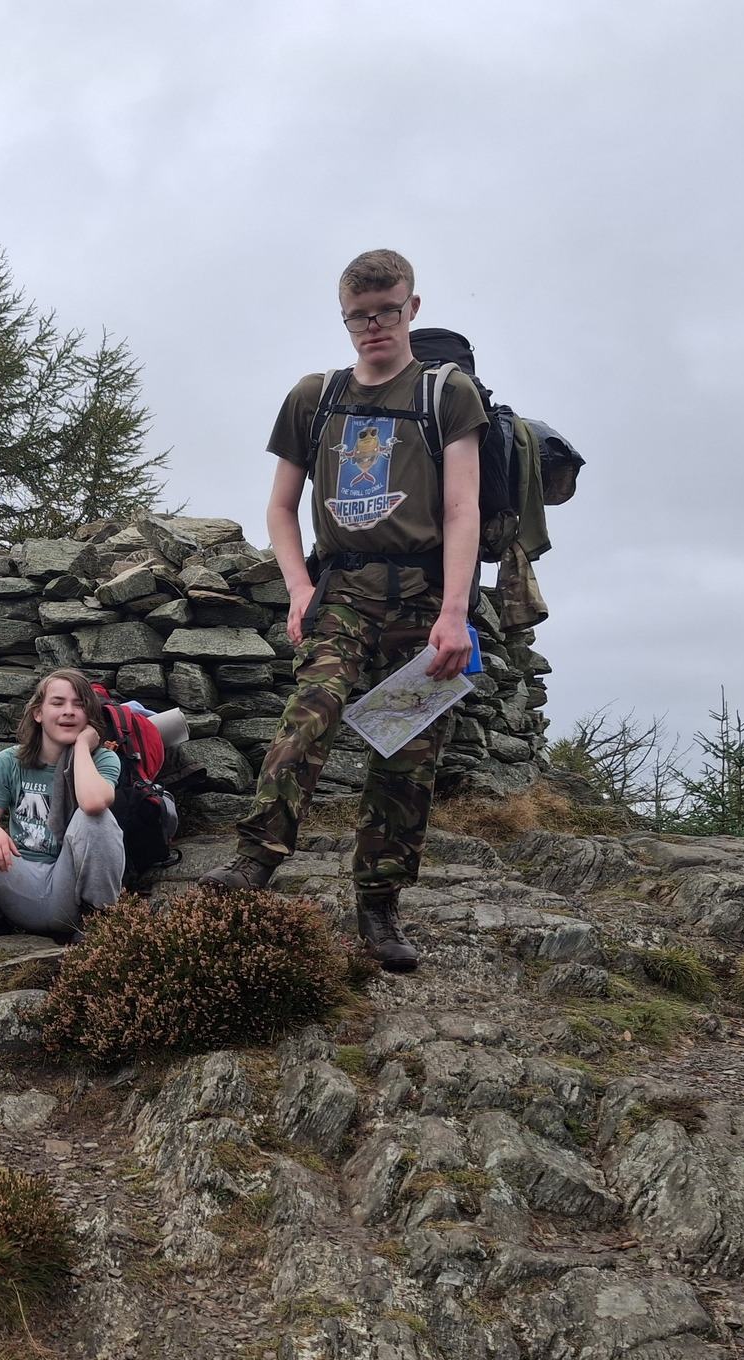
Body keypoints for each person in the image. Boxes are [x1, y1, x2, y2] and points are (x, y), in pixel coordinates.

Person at [201, 249, 486, 973]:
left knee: (406, 756)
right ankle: (253, 862)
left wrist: (454, 614)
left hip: (425, 602)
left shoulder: (445, 392)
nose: (374, 327)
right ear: (345, 318)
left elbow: (462, 508)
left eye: (388, 311)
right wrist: (299, 587)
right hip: (344, 594)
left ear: (412, 308)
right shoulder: (314, 398)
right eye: (360, 316)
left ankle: (379, 908)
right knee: (312, 711)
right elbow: (279, 507)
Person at [0, 669, 126, 938]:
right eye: (58, 703)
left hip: (70, 891)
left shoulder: (103, 760)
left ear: (89, 717)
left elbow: (92, 804)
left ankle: (96, 926)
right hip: (20, 882)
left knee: (96, 818)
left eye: (79, 705)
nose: (69, 711)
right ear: (38, 713)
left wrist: (81, 747)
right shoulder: (9, 761)